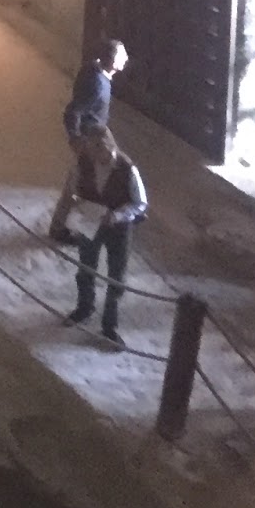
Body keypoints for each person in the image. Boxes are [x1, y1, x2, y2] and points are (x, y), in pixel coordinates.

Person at [64, 128, 147, 349]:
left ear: (110, 145)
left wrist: (117, 215)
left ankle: (110, 325)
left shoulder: (127, 169)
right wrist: (79, 205)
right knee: (86, 267)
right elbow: (74, 187)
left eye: (99, 147)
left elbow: (140, 203)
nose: (95, 152)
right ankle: (85, 307)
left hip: (118, 228)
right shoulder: (83, 164)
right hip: (91, 222)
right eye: (92, 148)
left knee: (116, 276)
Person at [48, 112, 115, 247]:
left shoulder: (95, 149)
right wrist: (74, 135)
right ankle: (64, 229)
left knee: (75, 195)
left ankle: (62, 227)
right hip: (91, 140)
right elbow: (73, 111)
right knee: (75, 195)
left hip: (92, 137)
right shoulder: (90, 154)